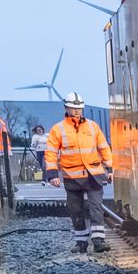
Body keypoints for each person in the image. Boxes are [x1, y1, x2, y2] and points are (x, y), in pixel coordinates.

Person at [45, 93, 113, 253]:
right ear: (66, 108)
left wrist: (109, 169)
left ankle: (98, 241)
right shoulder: (58, 129)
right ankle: (81, 242)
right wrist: (52, 174)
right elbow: (51, 152)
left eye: (79, 108)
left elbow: (104, 148)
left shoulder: (92, 127)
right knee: (75, 210)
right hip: (72, 178)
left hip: (93, 175)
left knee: (96, 208)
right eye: (73, 108)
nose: (77, 111)